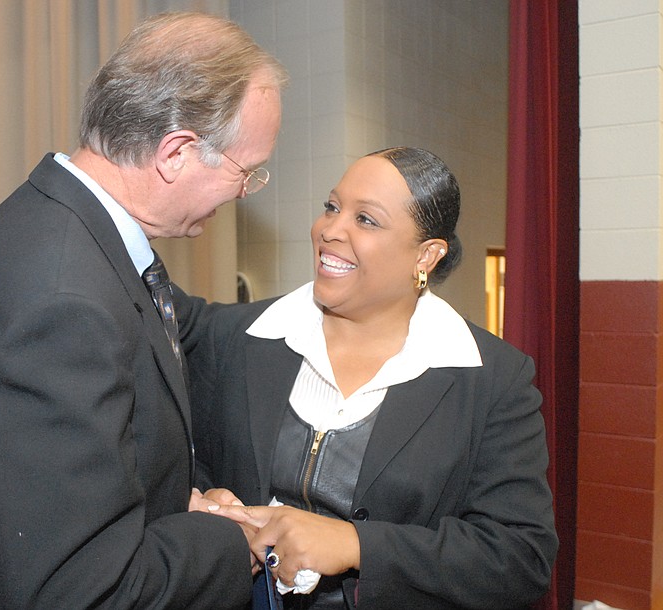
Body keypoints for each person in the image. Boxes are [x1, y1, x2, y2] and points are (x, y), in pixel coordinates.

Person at [0, 11, 287, 609]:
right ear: (177, 153)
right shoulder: (65, 305)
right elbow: (80, 591)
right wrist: (225, 540)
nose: (244, 192)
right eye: (246, 172)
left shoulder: (60, 220)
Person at [181, 147, 559, 608]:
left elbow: (520, 558)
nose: (330, 230)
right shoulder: (234, 337)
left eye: (366, 220)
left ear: (427, 255)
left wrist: (355, 545)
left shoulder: (492, 381)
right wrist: (205, 500)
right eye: (332, 207)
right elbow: (183, 460)